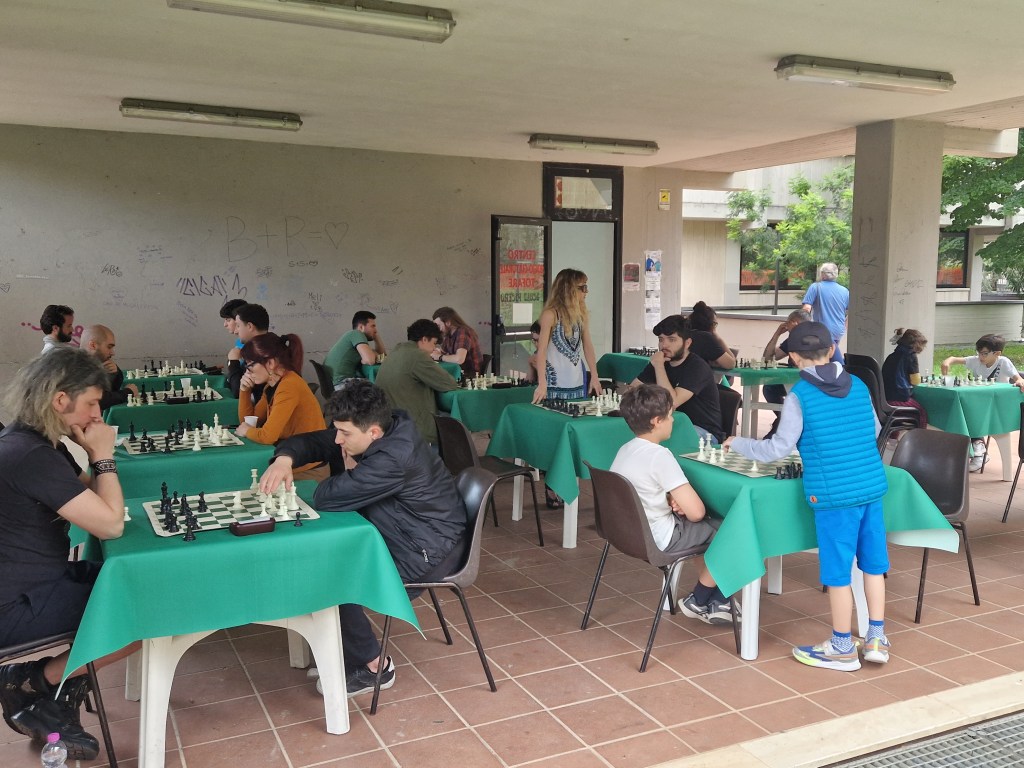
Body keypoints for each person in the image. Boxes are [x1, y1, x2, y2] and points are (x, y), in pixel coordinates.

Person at [257, 380, 469, 697]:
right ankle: (342, 651)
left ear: (373, 432)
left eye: (344, 434)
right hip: (414, 531)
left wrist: (348, 468)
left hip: (428, 551)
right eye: (337, 430)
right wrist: (285, 458)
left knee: (335, 577)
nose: (337, 439)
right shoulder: (379, 428)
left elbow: (326, 497)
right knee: (329, 558)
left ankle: (374, 667)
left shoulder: (392, 459)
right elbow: (314, 442)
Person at [725, 322, 890, 672]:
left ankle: (842, 647)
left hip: (833, 496)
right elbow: (875, 430)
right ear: (831, 350)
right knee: (874, 565)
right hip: (871, 488)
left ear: (795, 358)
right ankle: (876, 638)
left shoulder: (800, 395)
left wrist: (737, 443)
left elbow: (777, 449)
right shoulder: (860, 385)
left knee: (838, 574)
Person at [0, 348, 139, 759]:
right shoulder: (30, 456)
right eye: (92, 403)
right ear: (60, 399)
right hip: (16, 604)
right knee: (147, 614)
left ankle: (51, 694)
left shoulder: (37, 442)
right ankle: (34, 681)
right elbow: (110, 524)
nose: (97, 414)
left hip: (44, 582)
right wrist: (102, 455)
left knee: (144, 587)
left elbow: (94, 497)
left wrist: (96, 459)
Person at [610, 385, 735, 624]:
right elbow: (697, 513)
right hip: (660, 537)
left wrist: (669, 499)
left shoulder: (625, 450)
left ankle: (718, 600)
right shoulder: (659, 456)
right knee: (734, 530)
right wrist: (684, 504)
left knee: (702, 531)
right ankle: (699, 598)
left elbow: (643, 489)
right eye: (669, 415)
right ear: (657, 421)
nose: (673, 420)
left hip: (628, 534)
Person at [235, 332, 327, 479]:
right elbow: (249, 421)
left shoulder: (289, 386)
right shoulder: (272, 386)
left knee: (245, 478)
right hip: (291, 459)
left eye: (250, 366)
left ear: (270, 363)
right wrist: (244, 390)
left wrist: (247, 431)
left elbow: (267, 436)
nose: (247, 372)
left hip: (308, 469)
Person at [630, 315, 723, 445]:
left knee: (658, 441)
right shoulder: (660, 362)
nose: (664, 345)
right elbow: (632, 390)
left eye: (672, 340)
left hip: (703, 431)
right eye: (661, 339)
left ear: (687, 343)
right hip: (668, 424)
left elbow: (672, 403)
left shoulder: (697, 367)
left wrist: (659, 366)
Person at [941, 333, 1024, 472]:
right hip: (978, 405)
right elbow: (954, 359)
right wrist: (947, 362)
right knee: (961, 411)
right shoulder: (976, 361)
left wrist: (1020, 381)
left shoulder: (1003, 362)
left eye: (985, 353)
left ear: (997, 353)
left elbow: (1018, 378)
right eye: (979, 352)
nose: (980, 357)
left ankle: (978, 449)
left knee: (970, 412)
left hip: (996, 407)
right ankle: (975, 447)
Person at [374, 319, 459, 445]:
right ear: (424, 339)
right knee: (456, 421)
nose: (433, 349)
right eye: (434, 343)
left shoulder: (397, 350)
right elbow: (449, 383)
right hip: (411, 423)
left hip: (390, 420)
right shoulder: (418, 356)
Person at [532, 268, 602, 403]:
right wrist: (542, 382)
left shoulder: (581, 315)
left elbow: (588, 347)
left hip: (576, 380)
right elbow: (541, 351)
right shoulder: (550, 315)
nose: (586, 292)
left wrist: (595, 376)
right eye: (583, 288)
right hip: (554, 382)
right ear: (569, 290)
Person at [760, 309, 812, 438]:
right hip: (792, 381)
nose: (786, 326)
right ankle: (784, 418)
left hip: (807, 383)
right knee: (769, 388)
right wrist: (777, 334)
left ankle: (783, 422)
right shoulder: (791, 340)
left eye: (787, 323)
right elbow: (768, 358)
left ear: (794, 323)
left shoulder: (812, 339)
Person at [79, 324, 139, 410]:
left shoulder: (94, 364)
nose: (112, 353)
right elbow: (98, 400)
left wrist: (114, 373)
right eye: (109, 347)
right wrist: (127, 393)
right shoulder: (76, 367)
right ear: (93, 345)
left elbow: (111, 390)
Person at [324, 311, 387, 388]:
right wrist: (371, 358)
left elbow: (383, 357)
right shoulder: (356, 334)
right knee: (382, 386)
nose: (376, 330)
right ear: (361, 327)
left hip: (339, 383)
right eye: (372, 326)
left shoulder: (356, 340)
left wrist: (376, 337)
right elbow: (370, 360)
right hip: (342, 384)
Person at [881, 328, 929, 430]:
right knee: (921, 413)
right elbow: (915, 381)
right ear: (916, 344)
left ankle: (892, 436)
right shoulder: (911, 356)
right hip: (898, 397)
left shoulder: (891, 356)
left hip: (884, 398)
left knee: (895, 417)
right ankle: (920, 437)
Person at [801, 263, 849, 363]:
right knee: (828, 357)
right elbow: (851, 312)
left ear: (822, 274)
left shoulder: (816, 287)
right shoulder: (845, 291)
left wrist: (804, 329)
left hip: (822, 331)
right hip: (838, 331)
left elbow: (806, 309)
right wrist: (844, 326)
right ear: (836, 274)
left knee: (832, 360)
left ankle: (842, 370)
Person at [226, 303, 270, 399]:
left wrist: (233, 362)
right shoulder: (261, 346)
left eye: (238, 326)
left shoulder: (263, 352)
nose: (236, 331)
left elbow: (238, 392)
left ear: (250, 326)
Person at [431, 306, 482, 378]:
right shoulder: (449, 334)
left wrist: (439, 357)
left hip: (469, 375)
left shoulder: (463, 332)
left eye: (439, 326)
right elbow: (442, 352)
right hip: (458, 371)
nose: (438, 329)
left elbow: (459, 359)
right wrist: (435, 352)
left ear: (448, 322)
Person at [686, 302, 737, 369]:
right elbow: (731, 364)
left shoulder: (685, 334)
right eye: (715, 324)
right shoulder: (705, 338)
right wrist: (718, 338)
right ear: (711, 324)